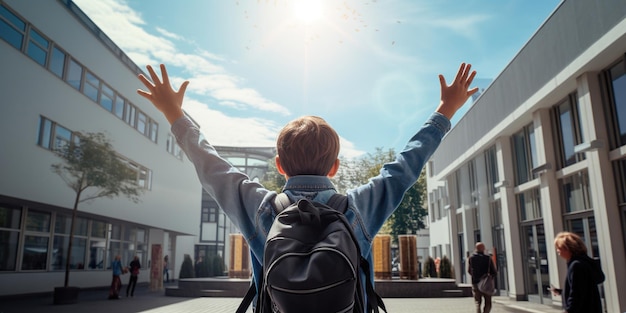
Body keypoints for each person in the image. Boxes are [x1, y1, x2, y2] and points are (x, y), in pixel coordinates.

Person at [137, 62, 477, 312]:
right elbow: (406, 166)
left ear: (280, 166)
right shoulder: (357, 207)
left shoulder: (261, 207)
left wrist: (173, 112)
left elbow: (210, 165)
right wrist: (446, 110)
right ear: (335, 167)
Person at [550, 231, 605, 313]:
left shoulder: (576, 265)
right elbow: (581, 288)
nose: (558, 251)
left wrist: (569, 311)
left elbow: (577, 294)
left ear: (568, 249)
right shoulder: (585, 263)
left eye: (559, 248)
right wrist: (561, 291)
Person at [468, 242, 497, 313]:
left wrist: (475, 277)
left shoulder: (471, 258)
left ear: (475, 249)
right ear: (483, 249)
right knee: (488, 302)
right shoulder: (488, 258)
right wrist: (491, 278)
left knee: (478, 302)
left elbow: (469, 270)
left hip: (475, 283)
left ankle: (478, 311)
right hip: (486, 283)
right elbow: (493, 271)